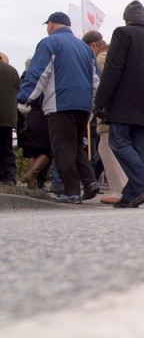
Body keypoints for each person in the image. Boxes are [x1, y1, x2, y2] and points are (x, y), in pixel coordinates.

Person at [18, 12, 100, 204]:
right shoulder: (85, 48)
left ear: (52, 25)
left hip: (60, 103)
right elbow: (96, 80)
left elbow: (39, 73)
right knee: (77, 146)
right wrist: (94, 104)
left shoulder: (49, 43)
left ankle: (71, 191)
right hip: (83, 104)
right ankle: (90, 182)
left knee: (62, 148)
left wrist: (24, 99)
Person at [93, 1, 144, 208]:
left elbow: (113, 69)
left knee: (118, 142)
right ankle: (132, 194)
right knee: (138, 148)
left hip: (124, 102)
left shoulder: (122, 34)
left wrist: (101, 102)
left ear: (127, 19)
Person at [82, 30, 127, 204]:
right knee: (110, 148)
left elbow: (103, 85)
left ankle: (118, 191)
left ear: (93, 46)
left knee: (107, 148)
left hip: (109, 112)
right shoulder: (114, 55)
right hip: (122, 111)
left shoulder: (100, 58)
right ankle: (123, 188)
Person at [17, 58, 52, 189]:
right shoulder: (41, 79)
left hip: (26, 116)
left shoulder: (23, 80)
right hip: (42, 115)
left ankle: (32, 183)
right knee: (49, 149)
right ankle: (32, 174)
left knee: (31, 150)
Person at [0, 53, 19, 186]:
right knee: (6, 147)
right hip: (7, 116)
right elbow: (19, 91)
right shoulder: (11, 71)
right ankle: (9, 178)